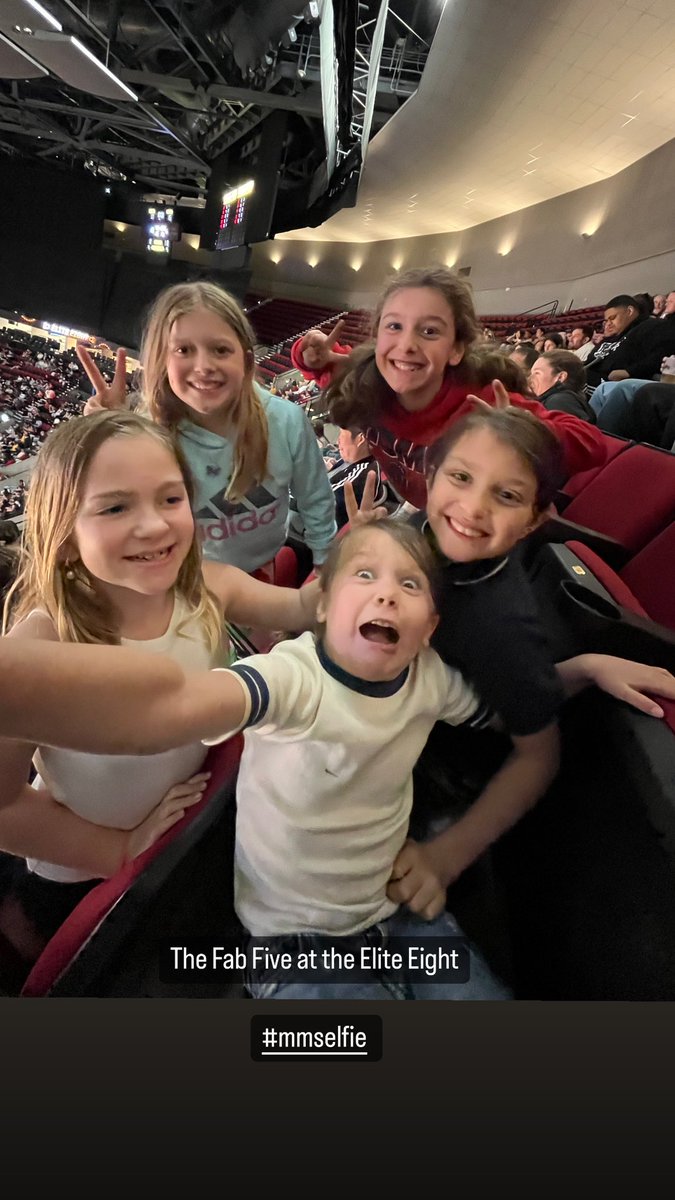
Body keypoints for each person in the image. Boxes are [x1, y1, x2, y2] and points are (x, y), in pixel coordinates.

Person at [0, 520, 513, 1000]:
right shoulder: (289, 678)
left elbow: (509, 711)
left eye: (409, 584)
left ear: (430, 628)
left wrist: (576, 670)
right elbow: (183, 705)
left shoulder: (430, 680)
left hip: (397, 908)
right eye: (365, 576)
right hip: (283, 941)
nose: (385, 592)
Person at [0, 411, 319, 975]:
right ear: (65, 535)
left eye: (170, 499)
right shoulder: (43, 642)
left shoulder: (209, 586)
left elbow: (301, 608)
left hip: (178, 847)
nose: (154, 526)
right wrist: (116, 851)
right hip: (84, 873)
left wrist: (368, 572)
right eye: (116, 507)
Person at [77, 281, 337, 581]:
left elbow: (316, 500)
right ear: (161, 362)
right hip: (184, 576)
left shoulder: (286, 420)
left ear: (246, 358)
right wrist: (106, 438)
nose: (203, 366)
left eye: (220, 350)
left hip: (263, 571)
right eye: (183, 350)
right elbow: (113, 516)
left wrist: (324, 566)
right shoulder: (146, 432)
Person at [290, 265, 607, 510]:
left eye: (429, 331)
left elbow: (592, 445)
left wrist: (517, 429)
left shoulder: (480, 403)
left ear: (456, 349)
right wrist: (310, 355)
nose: (407, 344)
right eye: (394, 326)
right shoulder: (369, 379)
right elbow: (326, 364)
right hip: (418, 508)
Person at [528, 351, 597, 422]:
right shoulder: (564, 400)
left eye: (537, 373)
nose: (530, 378)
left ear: (560, 377)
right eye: (531, 373)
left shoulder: (559, 402)